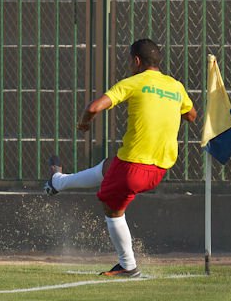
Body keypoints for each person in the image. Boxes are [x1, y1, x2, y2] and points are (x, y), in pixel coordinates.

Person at [44, 38, 197, 278]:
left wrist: (84, 123)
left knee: (112, 207)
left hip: (133, 167)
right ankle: (57, 182)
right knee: (108, 167)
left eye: (129, 61)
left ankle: (127, 264)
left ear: (136, 61)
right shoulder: (176, 86)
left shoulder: (134, 83)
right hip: (159, 168)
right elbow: (192, 115)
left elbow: (94, 107)